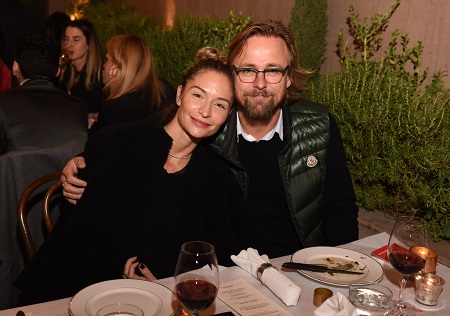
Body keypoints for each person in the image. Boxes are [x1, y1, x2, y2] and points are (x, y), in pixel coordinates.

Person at [61, 20, 359, 259]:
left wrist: (339, 274)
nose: (259, 83)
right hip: (229, 274)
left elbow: (341, 211)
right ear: (232, 74)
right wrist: (87, 164)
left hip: (303, 270)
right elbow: (149, 142)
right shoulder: (210, 127)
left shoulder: (318, 126)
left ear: (289, 77)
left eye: (272, 71)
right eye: (247, 71)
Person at [15, 47, 243, 304]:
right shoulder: (117, 144)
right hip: (87, 291)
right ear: (179, 95)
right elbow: (78, 241)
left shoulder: (218, 180)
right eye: (198, 95)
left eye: (220, 104)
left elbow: (216, 262)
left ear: (228, 115)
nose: (205, 111)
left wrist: (168, 286)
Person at [0, 31, 88, 155]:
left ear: (15, 67)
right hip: (63, 173)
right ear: (58, 70)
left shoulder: (3, 103)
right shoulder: (79, 107)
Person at [89, 34, 175, 135]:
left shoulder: (113, 109)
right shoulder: (165, 89)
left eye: (107, 59)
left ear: (117, 67)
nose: (104, 65)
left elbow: (94, 145)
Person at [59, 19, 104, 114]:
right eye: (66, 39)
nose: (68, 45)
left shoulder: (100, 76)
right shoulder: (63, 72)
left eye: (76, 40)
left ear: (88, 44)